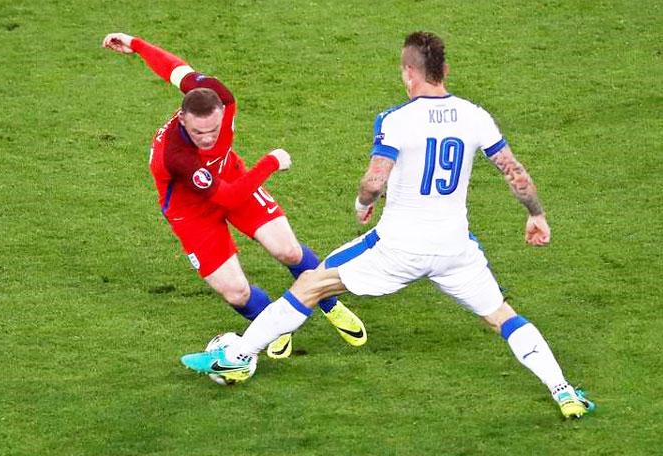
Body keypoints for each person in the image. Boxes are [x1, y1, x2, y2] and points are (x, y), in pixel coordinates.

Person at [181, 31, 596, 419]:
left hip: (398, 247)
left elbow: (375, 178)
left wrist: (364, 202)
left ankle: (238, 355)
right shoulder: (476, 117)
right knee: (503, 316)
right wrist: (535, 215)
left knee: (309, 285)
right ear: (445, 71)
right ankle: (563, 390)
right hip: (455, 249)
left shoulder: (396, 120)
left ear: (408, 72)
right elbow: (515, 173)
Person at [101, 33, 367, 358]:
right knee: (236, 292)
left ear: (219, 108)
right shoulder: (176, 155)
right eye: (199, 133)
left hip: (230, 177)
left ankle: (330, 304)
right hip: (193, 213)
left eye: (214, 129)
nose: (209, 138)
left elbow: (176, 70)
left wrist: (137, 44)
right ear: (182, 119)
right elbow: (225, 198)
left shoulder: (219, 95)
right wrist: (270, 163)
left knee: (288, 251)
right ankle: (271, 322)